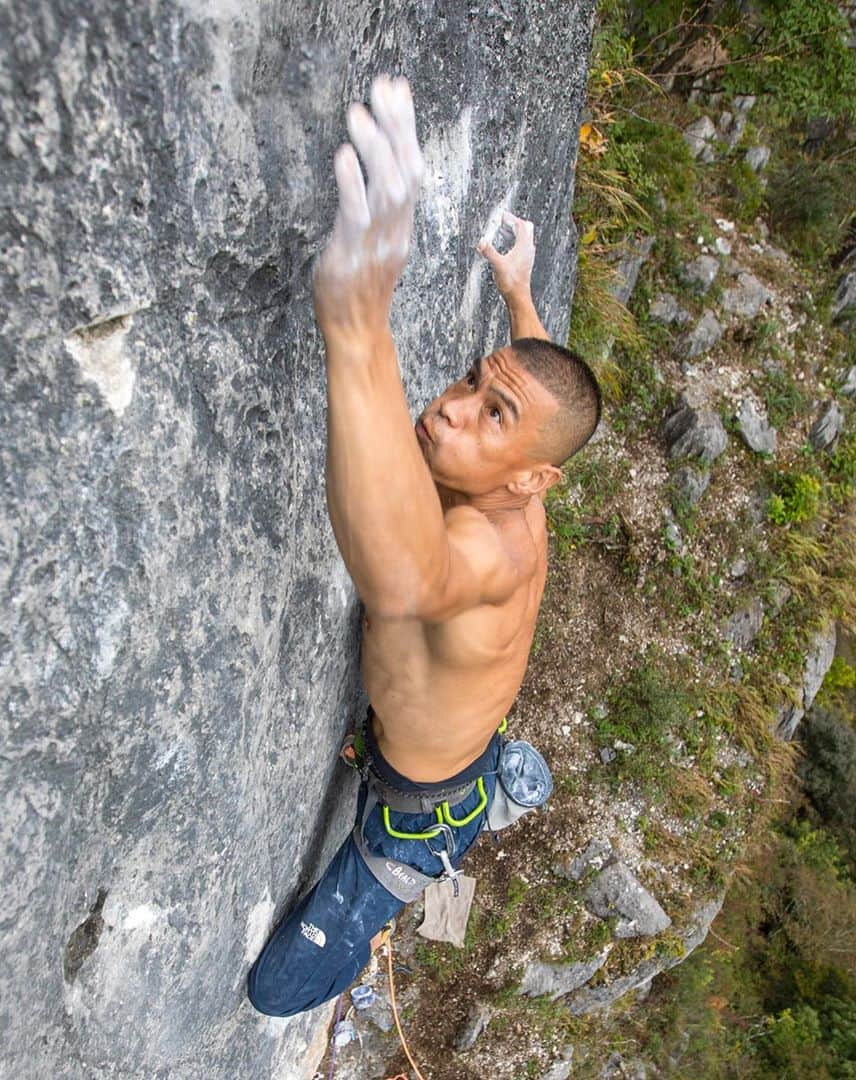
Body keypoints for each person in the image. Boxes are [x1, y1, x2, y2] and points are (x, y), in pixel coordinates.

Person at [247, 75, 601, 1017]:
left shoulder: (489, 552)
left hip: (414, 815)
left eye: (491, 416)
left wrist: (359, 328)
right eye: (468, 385)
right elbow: (540, 392)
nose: (448, 410)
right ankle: (495, 783)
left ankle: (393, 904)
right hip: (439, 755)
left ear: (530, 479)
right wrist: (521, 293)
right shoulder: (523, 469)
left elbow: (402, 574)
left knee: (277, 993)